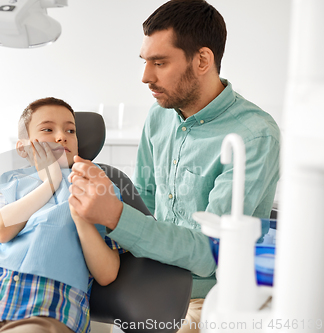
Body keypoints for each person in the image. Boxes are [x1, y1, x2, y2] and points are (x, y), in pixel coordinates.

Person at [68, 1, 280, 332]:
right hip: (147, 278)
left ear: (203, 60)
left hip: (200, 295)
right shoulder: (159, 116)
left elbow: (209, 254)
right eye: (145, 61)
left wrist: (115, 216)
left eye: (160, 62)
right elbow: (146, 202)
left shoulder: (253, 136)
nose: (145, 77)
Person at [0, 97, 124, 333]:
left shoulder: (96, 184)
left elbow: (107, 273)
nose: (61, 136)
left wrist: (80, 217)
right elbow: (1, 230)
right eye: (48, 129)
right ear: (23, 147)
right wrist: (50, 182)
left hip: (50, 312)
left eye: (70, 130)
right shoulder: (9, 182)